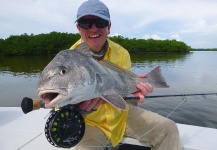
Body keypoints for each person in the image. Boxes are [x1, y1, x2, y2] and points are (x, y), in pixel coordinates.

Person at [70, 0, 182, 149]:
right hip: (90, 122)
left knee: (168, 128)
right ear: (78, 28)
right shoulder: (69, 59)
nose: (93, 28)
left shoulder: (121, 53)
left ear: (109, 27)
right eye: (86, 23)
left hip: (122, 114)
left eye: (100, 22)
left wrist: (136, 90)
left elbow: (123, 87)